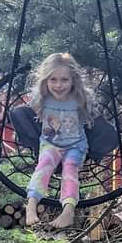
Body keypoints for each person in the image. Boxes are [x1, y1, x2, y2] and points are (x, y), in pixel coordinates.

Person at [25, 52, 96, 228]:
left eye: (64, 80)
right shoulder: (42, 98)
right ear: (45, 81)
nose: (58, 85)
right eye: (53, 80)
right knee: (44, 165)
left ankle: (68, 211)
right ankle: (31, 204)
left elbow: (96, 116)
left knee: (70, 170)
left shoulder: (79, 99)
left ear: (73, 80)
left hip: (75, 145)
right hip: (51, 144)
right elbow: (28, 113)